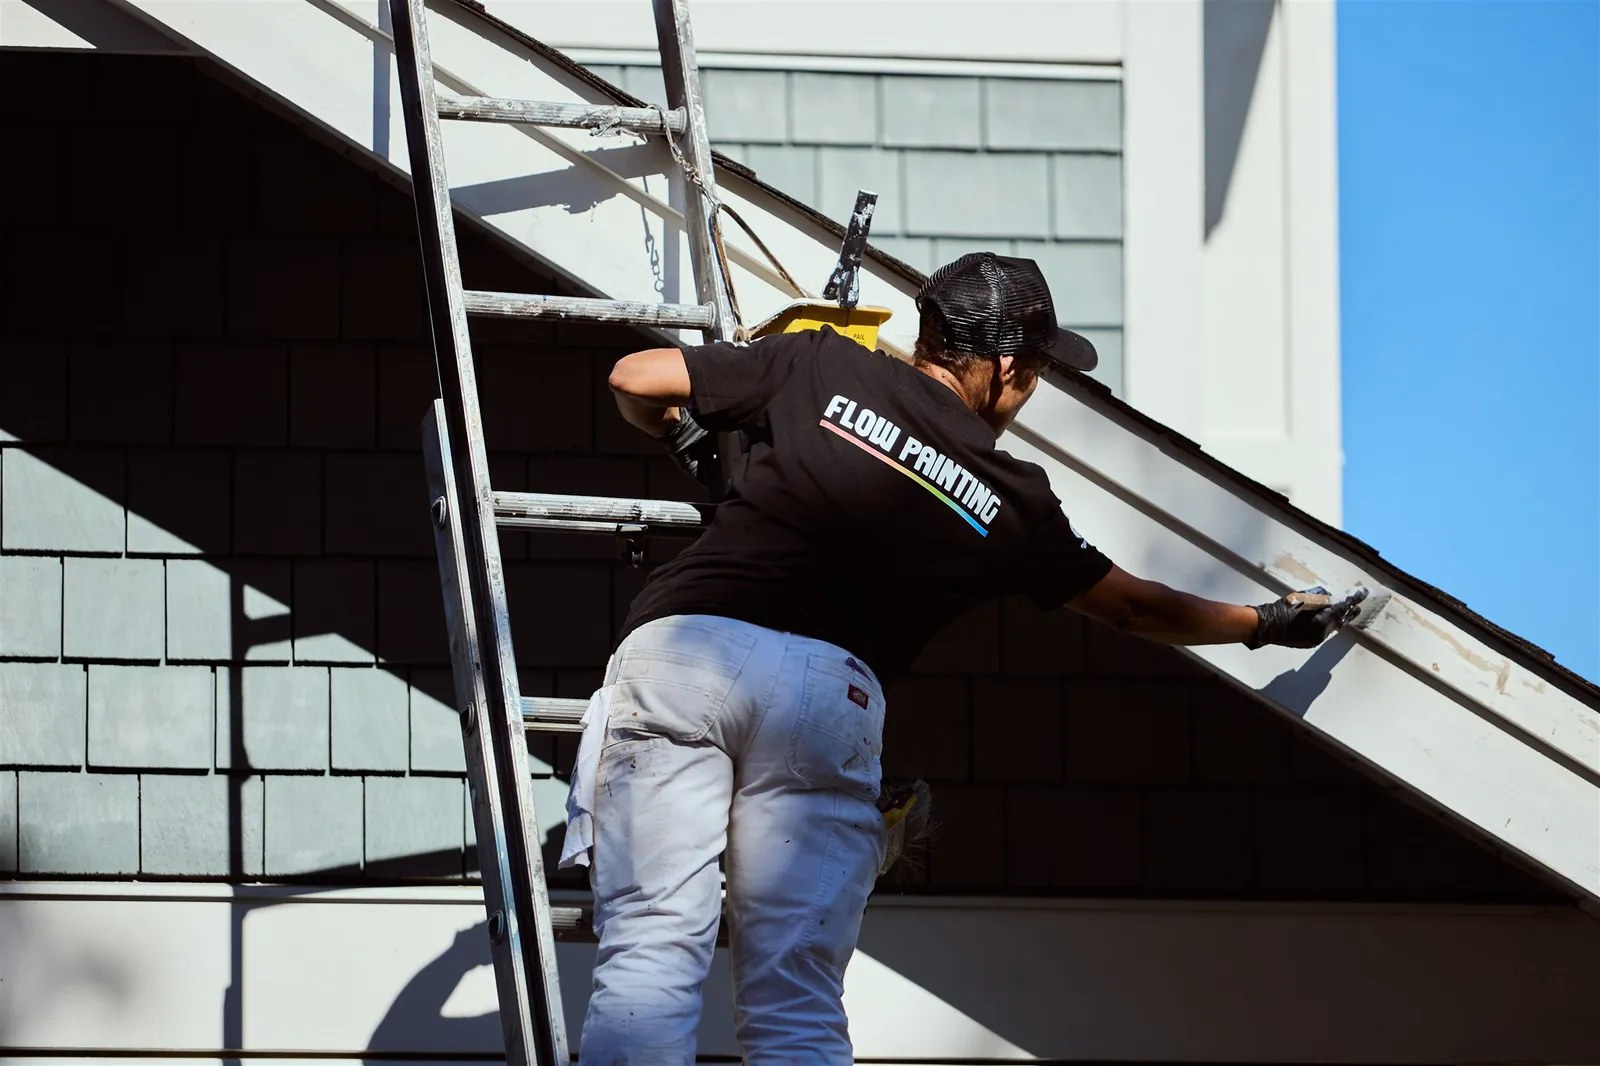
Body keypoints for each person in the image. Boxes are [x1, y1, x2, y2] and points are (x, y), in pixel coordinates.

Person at [560, 252, 1365, 1064]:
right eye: (1035, 373)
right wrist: (1262, 622)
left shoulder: (822, 362)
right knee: (794, 999)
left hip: (687, 650)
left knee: (652, 949)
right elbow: (1135, 606)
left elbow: (636, 378)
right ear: (1005, 366)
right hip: (828, 695)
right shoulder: (1013, 498)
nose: (1029, 391)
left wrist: (689, 434)